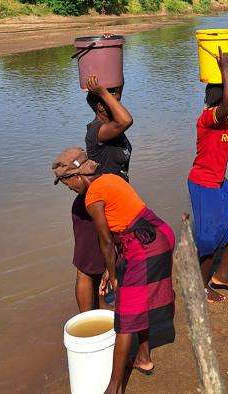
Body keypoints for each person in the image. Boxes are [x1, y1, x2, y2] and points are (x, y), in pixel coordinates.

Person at [53, 148, 175, 393]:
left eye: (68, 184)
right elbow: (123, 221)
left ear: (76, 176)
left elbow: (106, 241)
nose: (70, 189)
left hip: (144, 247)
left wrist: (114, 274)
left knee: (126, 317)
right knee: (138, 303)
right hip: (158, 233)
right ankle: (143, 357)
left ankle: (114, 387)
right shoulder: (111, 179)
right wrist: (113, 270)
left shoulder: (92, 198)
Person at [187, 50, 228, 303]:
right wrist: (224, 70)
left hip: (219, 183)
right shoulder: (207, 119)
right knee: (209, 240)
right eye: (225, 92)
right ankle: (201, 288)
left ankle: (220, 275)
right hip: (203, 184)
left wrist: (226, 74)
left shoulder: (223, 119)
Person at [69, 75, 133, 312]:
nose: (119, 101)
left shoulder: (111, 122)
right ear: (100, 106)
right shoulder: (98, 131)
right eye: (112, 97)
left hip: (112, 205)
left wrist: (113, 52)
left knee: (108, 262)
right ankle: (87, 320)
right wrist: (105, 93)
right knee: (87, 269)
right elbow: (127, 119)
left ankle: (102, 306)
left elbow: (119, 94)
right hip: (93, 207)